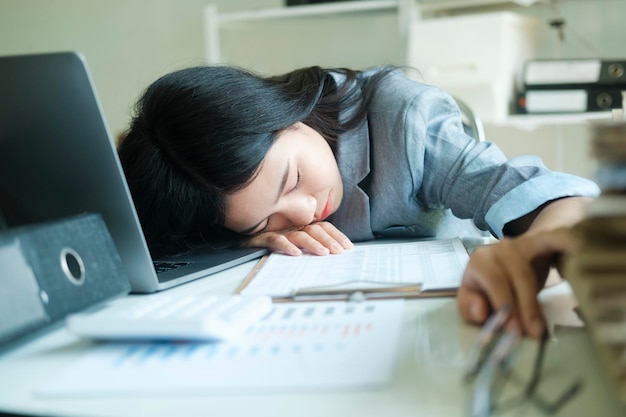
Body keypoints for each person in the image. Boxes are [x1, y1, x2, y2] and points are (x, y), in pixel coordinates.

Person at [117, 64, 599, 339]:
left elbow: (547, 193)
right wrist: (248, 241)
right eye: (267, 217)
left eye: (293, 179)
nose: (304, 213)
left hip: (447, 324)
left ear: (290, 115)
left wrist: (532, 247)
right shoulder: (215, 198)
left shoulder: (402, 119)